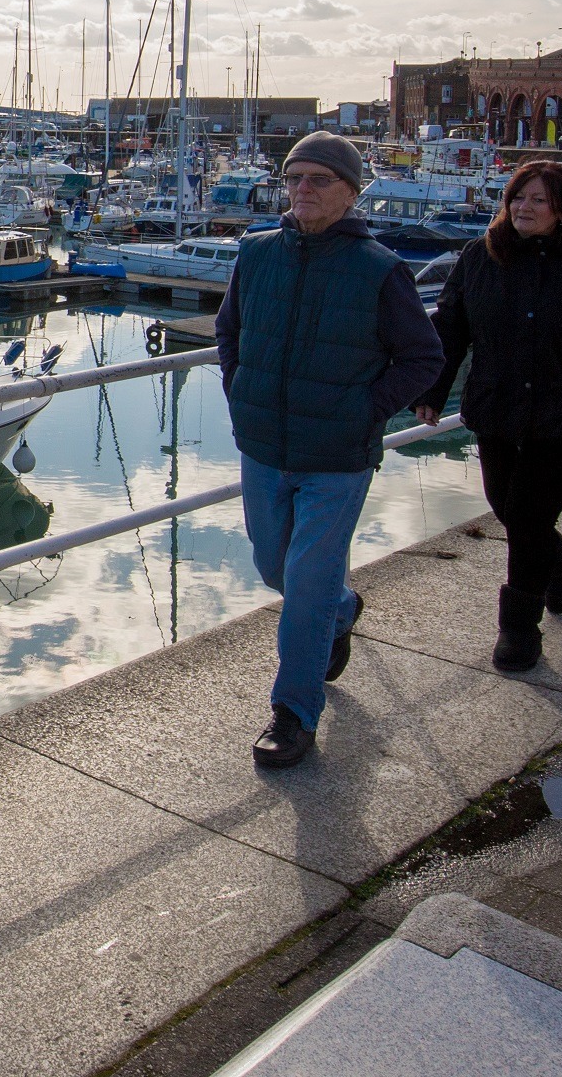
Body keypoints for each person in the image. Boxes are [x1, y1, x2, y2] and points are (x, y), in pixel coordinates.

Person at [216, 132, 443, 770]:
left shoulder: (379, 269)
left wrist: (362, 412)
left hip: (337, 458)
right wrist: (239, 390)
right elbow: (229, 329)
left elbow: (423, 356)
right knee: (274, 569)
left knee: (307, 584)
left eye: (319, 180)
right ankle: (342, 612)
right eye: (294, 179)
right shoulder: (256, 254)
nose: (303, 191)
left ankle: (293, 713)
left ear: (350, 190)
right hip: (263, 445)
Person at [416, 162, 562, 673]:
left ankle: (519, 629)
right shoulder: (480, 258)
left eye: (539, 201)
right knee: (504, 504)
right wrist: (433, 392)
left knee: (525, 516)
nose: (524, 208)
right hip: (498, 406)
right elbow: (451, 327)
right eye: (518, 197)